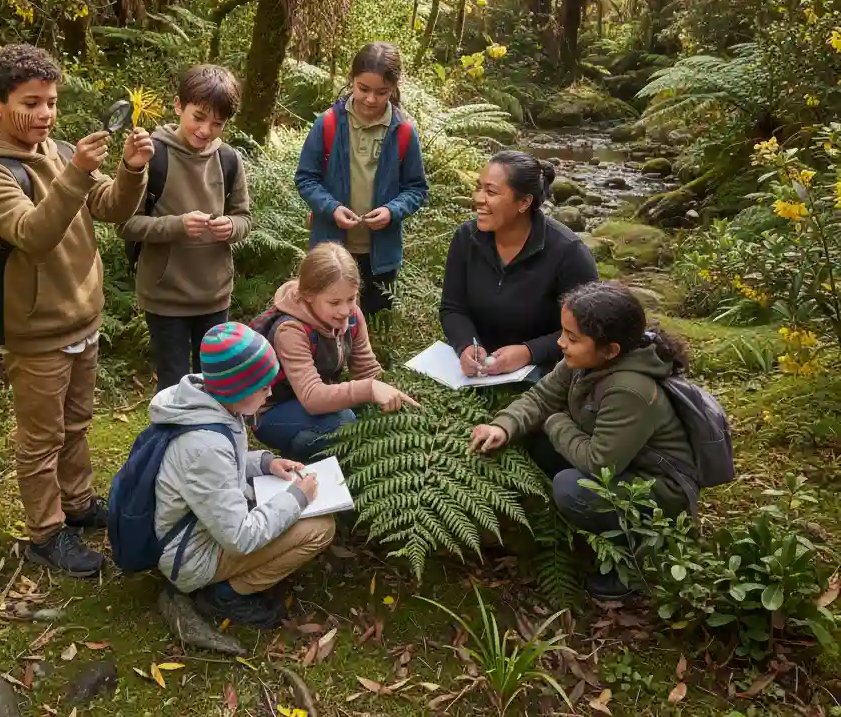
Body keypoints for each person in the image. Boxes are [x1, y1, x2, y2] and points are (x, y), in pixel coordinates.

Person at [0, 43, 153, 576]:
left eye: (52, 102)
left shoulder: (59, 151)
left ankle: (78, 503)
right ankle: (46, 533)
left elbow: (111, 207)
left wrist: (131, 170)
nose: (46, 113)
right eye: (33, 102)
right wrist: (75, 173)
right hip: (36, 330)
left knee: (76, 424)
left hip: (81, 317)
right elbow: (34, 235)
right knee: (41, 437)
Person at [469, 281, 697, 599]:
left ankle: (634, 562)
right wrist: (503, 426)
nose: (561, 343)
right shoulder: (585, 361)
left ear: (611, 349)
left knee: (570, 488)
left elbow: (598, 462)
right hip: (622, 464)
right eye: (563, 333)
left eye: (572, 338)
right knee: (529, 437)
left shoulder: (630, 390)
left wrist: (554, 421)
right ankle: (580, 531)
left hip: (658, 492)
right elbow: (541, 397)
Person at [150, 322, 336, 628]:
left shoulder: (209, 404)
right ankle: (225, 595)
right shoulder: (205, 446)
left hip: (197, 530)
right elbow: (240, 537)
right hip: (190, 558)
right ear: (238, 389)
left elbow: (221, 465)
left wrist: (264, 463)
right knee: (320, 528)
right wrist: (297, 498)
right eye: (263, 386)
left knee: (296, 511)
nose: (271, 391)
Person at [120, 65, 252, 390]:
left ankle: (210, 440)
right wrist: (177, 226)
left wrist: (230, 227)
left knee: (215, 381)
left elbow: (244, 218)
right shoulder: (152, 155)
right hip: (166, 296)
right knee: (175, 385)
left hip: (215, 295)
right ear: (179, 106)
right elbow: (125, 224)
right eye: (198, 117)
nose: (206, 130)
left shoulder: (229, 160)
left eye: (217, 123)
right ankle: (173, 439)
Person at [440, 150, 598, 384]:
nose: (478, 198)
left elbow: (588, 331)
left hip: (546, 377)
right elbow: (452, 308)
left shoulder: (568, 253)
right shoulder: (467, 237)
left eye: (491, 192)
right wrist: (466, 346)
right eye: (479, 187)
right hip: (476, 374)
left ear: (524, 202)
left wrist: (529, 352)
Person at [295, 42, 428, 320]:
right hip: (331, 248)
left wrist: (393, 211)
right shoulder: (328, 124)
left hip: (380, 255)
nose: (370, 99)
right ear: (351, 81)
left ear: (393, 88)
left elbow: (416, 189)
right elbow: (306, 178)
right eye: (363, 89)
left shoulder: (403, 132)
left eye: (381, 92)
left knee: (373, 320)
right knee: (325, 317)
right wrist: (331, 208)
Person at [253, 243, 419, 463]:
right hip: (273, 410)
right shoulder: (290, 330)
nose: (345, 310)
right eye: (334, 302)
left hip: (319, 395)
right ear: (308, 296)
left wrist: (396, 390)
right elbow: (312, 397)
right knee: (343, 422)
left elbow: (366, 369)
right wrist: (370, 389)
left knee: (371, 410)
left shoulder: (351, 316)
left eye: (351, 298)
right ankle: (301, 453)